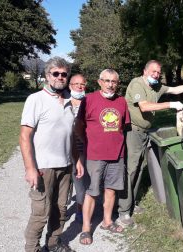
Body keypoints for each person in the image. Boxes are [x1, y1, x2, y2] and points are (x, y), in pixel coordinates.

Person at [118, 60, 183, 226]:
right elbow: (145, 107)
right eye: (153, 71)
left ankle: (132, 203)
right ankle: (123, 211)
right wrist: (171, 104)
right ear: (145, 71)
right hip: (133, 131)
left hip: (145, 131)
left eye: (158, 72)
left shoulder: (156, 86)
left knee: (140, 168)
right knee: (131, 169)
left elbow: (175, 89)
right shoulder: (137, 84)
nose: (156, 74)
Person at [20, 57, 80, 252]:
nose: (60, 77)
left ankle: (53, 244)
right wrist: (30, 168)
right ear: (47, 76)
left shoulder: (71, 101)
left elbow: (70, 135)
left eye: (64, 74)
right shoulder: (35, 99)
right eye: (56, 73)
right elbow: (24, 136)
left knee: (61, 210)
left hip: (65, 165)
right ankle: (32, 248)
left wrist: (76, 160)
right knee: (40, 213)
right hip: (43, 167)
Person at [75, 69, 130, 245]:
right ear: (99, 82)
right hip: (94, 155)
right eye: (106, 81)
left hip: (117, 154)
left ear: (117, 84)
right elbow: (78, 126)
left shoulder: (122, 101)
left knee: (111, 189)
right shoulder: (88, 100)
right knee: (91, 191)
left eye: (113, 81)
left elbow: (124, 126)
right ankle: (85, 228)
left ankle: (107, 221)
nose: (110, 84)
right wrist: (86, 141)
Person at [68, 74, 88, 223]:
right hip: (63, 149)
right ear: (70, 86)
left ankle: (80, 210)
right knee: (64, 182)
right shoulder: (63, 102)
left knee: (81, 182)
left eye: (82, 84)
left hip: (82, 148)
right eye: (76, 84)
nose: (80, 87)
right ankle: (61, 209)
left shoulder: (89, 102)